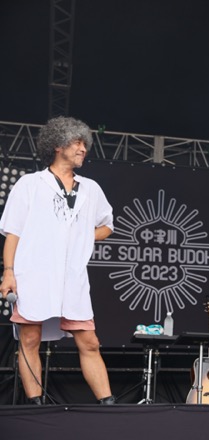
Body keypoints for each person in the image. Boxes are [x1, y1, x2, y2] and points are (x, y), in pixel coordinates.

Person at [0, 116, 116, 404]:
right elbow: (13, 233)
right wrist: (8, 272)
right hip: (34, 274)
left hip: (73, 278)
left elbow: (107, 225)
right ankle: (36, 404)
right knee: (30, 339)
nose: (83, 149)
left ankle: (108, 404)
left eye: (84, 144)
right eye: (77, 143)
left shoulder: (90, 188)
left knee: (89, 341)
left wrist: (83, 235)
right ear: (57, 145)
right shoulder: (30, 184)